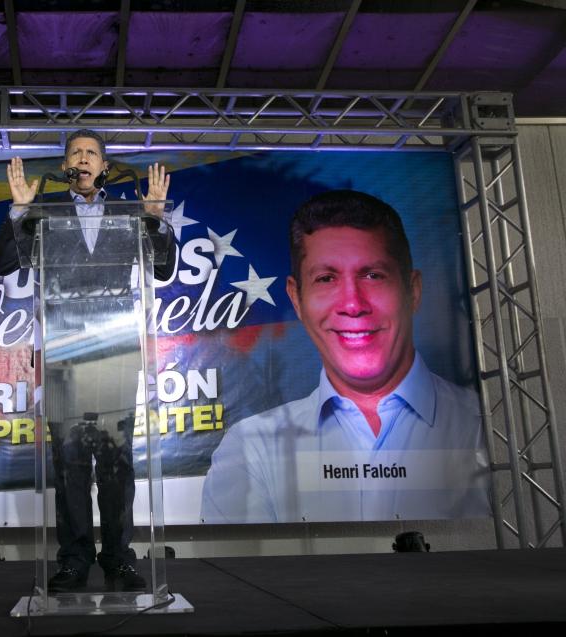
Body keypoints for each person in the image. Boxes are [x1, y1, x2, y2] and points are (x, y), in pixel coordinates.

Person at [201, 190, 491, 523]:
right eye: (326, 279)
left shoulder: (489, 429)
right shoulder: (251, 449)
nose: (353, 304)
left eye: (373, 275)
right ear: (296, 299)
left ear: (412, 291)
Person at [0, 129, 176, 592]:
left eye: (91, 152)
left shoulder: (127, 212)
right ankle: (74, 559)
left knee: (116, 465)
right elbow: (3, 262)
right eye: (75, 152)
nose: (83, 158)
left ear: (105, 166)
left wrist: (155, 218)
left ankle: (118, 558)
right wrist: (19, 211)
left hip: (115, 354)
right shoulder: (45, 213)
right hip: (63, 357)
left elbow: (163, 268)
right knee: (71, 465)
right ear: (65, 165)